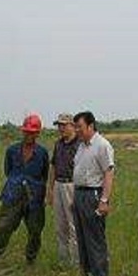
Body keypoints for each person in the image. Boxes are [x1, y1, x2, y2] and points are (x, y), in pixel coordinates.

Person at [0, 114, 49, 269]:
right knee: (4, 227)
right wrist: (17, 182)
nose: (29, 135)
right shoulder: (11, 150)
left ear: (38, 133)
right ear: (22, 131)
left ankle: (31, 260)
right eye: (26, 132)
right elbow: (8, 170)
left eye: (33, 133)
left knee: (35, 231)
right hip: (13, 194)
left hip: (34, 197)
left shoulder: (42, 153)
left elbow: (44, 174)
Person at [72, 111, 114, 276]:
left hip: (93, 195)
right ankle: (86, 273)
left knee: (94, 238)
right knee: (81, 237)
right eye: (75, 127)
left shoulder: (102, 145)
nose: (77, 131)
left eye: (79, 127)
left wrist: (104, 200)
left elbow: (109, 173)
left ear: (90, 126)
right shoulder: (81, 145)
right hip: (79, 194)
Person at [46, 113, 79, 267]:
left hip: (72, 186)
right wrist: (50, 189)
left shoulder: (80, 144)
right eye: (59, 125)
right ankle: (63, 262)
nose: (61, 128)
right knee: (60, 226)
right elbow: (53, 166)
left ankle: (76, 263)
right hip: (59, 184)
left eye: (64, 125)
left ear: (73, 126)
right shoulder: (58, 144)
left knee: (74, 226)